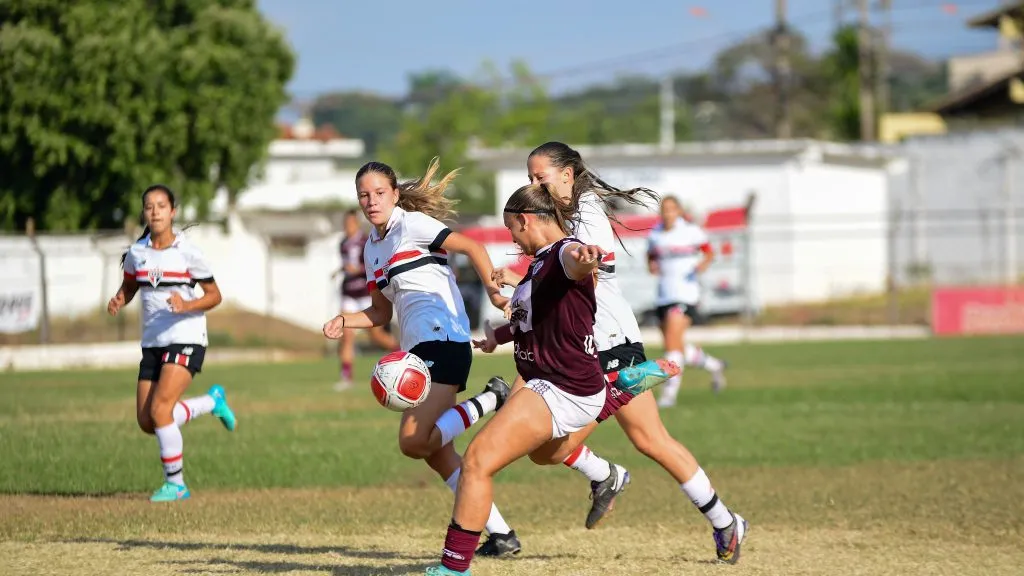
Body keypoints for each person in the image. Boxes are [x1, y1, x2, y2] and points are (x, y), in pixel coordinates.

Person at [485, 142, 747, 564]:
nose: (533, 184)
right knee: (548, 450)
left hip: (605, 343)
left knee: (641, 440)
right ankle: (613, 475)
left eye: (540, 176)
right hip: (574, 346)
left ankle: (721, 521)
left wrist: (522, 281)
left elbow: (586, 268)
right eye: (530, 177)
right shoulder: (553, 216)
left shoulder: (586, 211)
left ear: (567, 174)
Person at [321, 158, 523, 557]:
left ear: (395, 195)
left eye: (380, 193)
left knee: (414, 442)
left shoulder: (411, 224)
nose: (371, 200)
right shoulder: (372, 249)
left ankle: (491, 398)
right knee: (436, 453)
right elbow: (380, 313)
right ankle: (501, 535)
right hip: (416, 350)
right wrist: (344, 320)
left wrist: (496, 294)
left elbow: (471, 246)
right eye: (364, 195)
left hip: (443, 339)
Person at [424, 183, 624, 576]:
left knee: (478, 460)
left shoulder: (564, 252)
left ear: (524, 220)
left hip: (562, 385)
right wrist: (495, 338)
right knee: (542, 455)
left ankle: (453, 567)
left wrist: (587, 257)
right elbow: (534, 318)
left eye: (512, 230)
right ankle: (617, 390)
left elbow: (579, 261)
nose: (514, 239)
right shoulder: (539, 264)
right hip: (549, 381)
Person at [108, 184, 237, 503]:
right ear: (144, 213)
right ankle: (211, 402)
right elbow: (130, 286)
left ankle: (176, 484)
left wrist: (186, 305)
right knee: (148, 420)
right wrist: (118, 300)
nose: (155, 211)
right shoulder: (137, 253)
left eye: (161, 206)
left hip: (187, 338)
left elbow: (214, 296)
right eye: (149, 206)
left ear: (173, 212)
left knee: (161, 409)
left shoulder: (187, 252)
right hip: (153, 341)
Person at [647, 195, 728, 406]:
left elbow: (709, 252)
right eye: (664, 209)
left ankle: (669, 395)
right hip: (664, 294)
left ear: (679, 211)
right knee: (673, 344)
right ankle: (714, 365)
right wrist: (652, 265)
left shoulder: (690, 231)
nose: (668, 213)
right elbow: (651, 255)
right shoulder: (655, 234)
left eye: (672, 209)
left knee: (672, 344)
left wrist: (703, 265)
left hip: (686, 294)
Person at [332, 209, 398, 390]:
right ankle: (346, 377)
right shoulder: (343, 243)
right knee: (346, 336)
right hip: (348, 293)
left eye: (351, 224)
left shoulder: (366, 241)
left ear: (357, 224)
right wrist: (339, 271)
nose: (348, 227)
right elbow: (347, 264)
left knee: (376, 336)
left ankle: (404, 354)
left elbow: (372, 265)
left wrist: (357, 270)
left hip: (366, 293)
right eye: (345, 225)